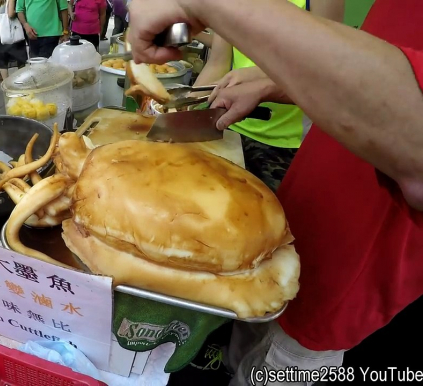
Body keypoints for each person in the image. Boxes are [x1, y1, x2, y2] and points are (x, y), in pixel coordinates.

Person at [128, 0, 423, 385]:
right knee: (245, 337)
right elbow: (372, 76)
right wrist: (276, 83)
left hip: (349, 273)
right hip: (301, 221)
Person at [189, 0, 344, 191]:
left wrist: (260, 75)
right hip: (230, 130)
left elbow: (324, 66)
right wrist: (183, 104)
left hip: (287, 144)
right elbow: (218, 64)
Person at [0, 0, 28, 79]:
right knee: (19, 56)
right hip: (11, 29)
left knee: (2, 58)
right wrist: (19, 11)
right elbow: (10, 14)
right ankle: (23, 80)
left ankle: (6, 82)